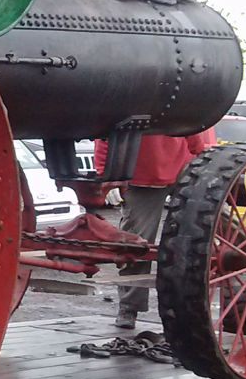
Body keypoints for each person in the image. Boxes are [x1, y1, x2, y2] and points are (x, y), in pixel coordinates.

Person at [93, 130, 217, 329]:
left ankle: (193, 305)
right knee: (135, 242)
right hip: (142, 175)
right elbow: (106, 134)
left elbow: (192, 124)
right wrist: (105, 174)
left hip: (185, 168)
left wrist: (202, 153)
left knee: (213, 222)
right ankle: (129, 306)